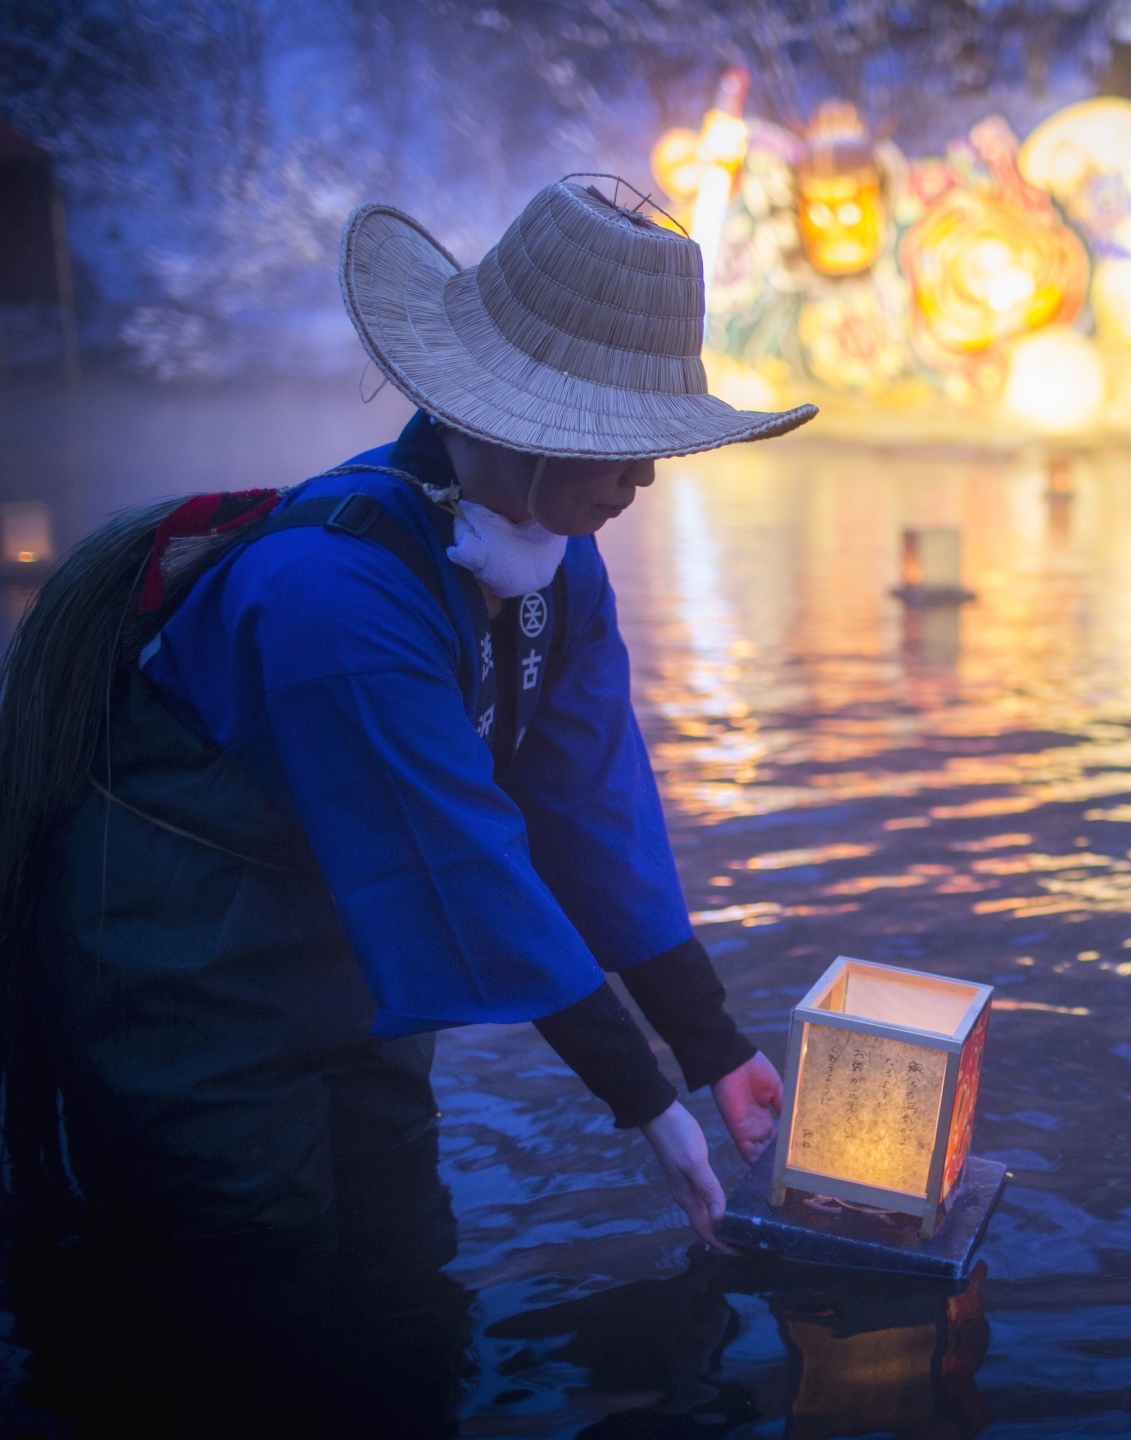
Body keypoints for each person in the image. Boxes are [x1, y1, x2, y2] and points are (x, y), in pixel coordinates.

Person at [0, 176, 818, 1369]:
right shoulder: (332, 592)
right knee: (249, 1267)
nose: (641, 481)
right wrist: (645, 1101)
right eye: (618, 446)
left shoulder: (556, 563)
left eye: (652, 449)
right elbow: (463, 858)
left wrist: (715, 1049)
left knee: (401, 1249)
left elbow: (591, 812)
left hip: (358, 939)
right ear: (510, 422)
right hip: (186, 947)